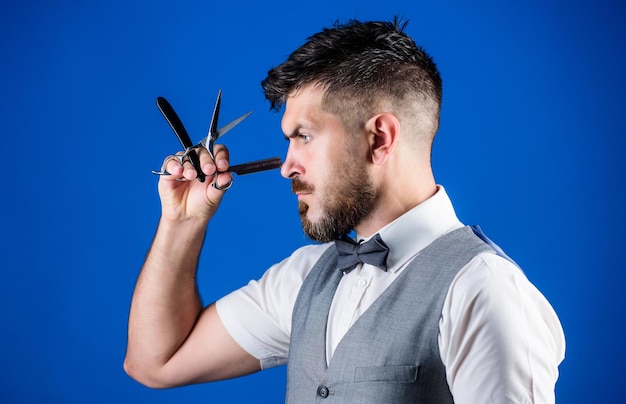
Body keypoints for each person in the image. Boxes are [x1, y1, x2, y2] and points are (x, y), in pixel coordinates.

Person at [124, 18, 565, 403]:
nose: (286, 167)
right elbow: (156, 362)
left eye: (305, 136)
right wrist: (182, 222)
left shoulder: (483, 292)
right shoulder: (305, 278)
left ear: (379, 138)